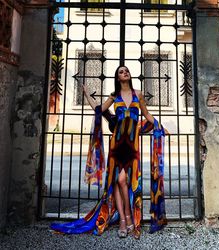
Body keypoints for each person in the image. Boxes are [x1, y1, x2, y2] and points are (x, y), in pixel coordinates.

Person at [51, 65, 168, 239]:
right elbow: (99, 110)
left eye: (126, 70)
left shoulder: (138, 94)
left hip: (132, 145)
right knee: (119, 180)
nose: (124, 73)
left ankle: (127, 219)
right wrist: (86, 95)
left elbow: (146, 114)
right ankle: (124, 219)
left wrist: (160, 126)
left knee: (128, 182)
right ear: (117, 77)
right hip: (117, 144)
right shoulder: (115, 96)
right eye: (121, 72)